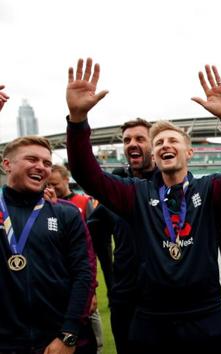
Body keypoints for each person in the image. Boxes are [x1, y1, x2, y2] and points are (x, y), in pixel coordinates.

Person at [65, 58, 221, 353]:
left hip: (205, 318)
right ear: (154, 153)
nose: (165, 145)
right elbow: (87, 174)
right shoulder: (135, 194)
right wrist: (77, 121)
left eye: (172, 140)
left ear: (189, 152)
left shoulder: (210, 188)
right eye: (159, 142)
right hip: (151, 321)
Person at [0, 136, 96, 353]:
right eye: (32, 159)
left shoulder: (66, 213)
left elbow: (84, 273)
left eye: (46, 163)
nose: (40, 167)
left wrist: (69, 334)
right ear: (7, 164)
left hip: (58, 340)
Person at [84, 117, 157, 354]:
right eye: (127, 140)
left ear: (153, 144)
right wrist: (110, 276)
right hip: (126, 297)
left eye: (139, 139)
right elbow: (94, 233)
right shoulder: (117, 189)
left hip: (164, 296)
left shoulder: (172, 182)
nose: (131, 144)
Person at [47, 164, 103, 354]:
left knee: (89, 314)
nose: (52, 188)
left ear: (66, 179)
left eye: (55, 184)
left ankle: (99, 346)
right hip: (58, 279)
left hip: (83, 265)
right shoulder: (45, 205)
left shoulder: (82, 201)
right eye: (49, 184)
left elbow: (93, 241)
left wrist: (93, 288)